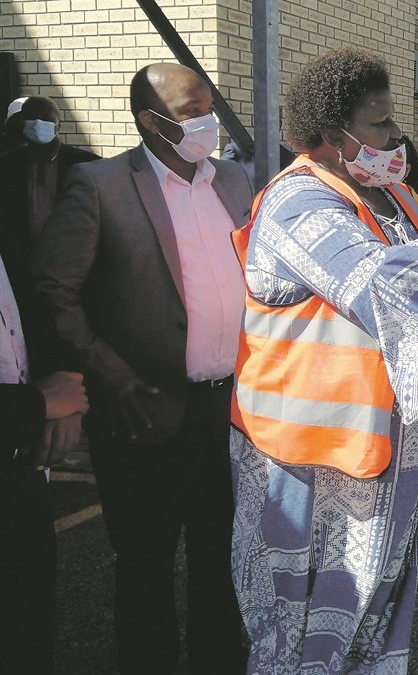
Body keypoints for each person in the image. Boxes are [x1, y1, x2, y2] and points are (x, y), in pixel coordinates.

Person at [230, 46, 418, 674]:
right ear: (330, 134)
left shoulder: (394, 195)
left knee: (373, 618)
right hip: (302, 462)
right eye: (380, 124)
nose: (397, 135)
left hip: (380, 457)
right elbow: (383, 290)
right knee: (297, 633)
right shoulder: (297, 202)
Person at [32, 62, 253, 675]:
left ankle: (218, 661)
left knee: (222, 556)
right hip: (141, 408)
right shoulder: (101, 185)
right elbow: (55, 290)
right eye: (189, 112)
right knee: (146, 565)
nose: (206, 120)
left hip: (228, 411)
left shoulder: (234, 182)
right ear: (148, 121)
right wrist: (111, 375)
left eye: (208, 106)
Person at [1, 205, 89, 675]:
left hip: (23, 467)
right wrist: (36, 405)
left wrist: (64, 383)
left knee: (27, 632)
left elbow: (29, 306)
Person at [0, 95, 99, 251]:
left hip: (72, 256)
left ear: (58, 124)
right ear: (23, 124)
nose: (39, 122)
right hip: (23, 258)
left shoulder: (86, 163)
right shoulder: (8, 165)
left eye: (46, 117)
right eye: (32, 117)